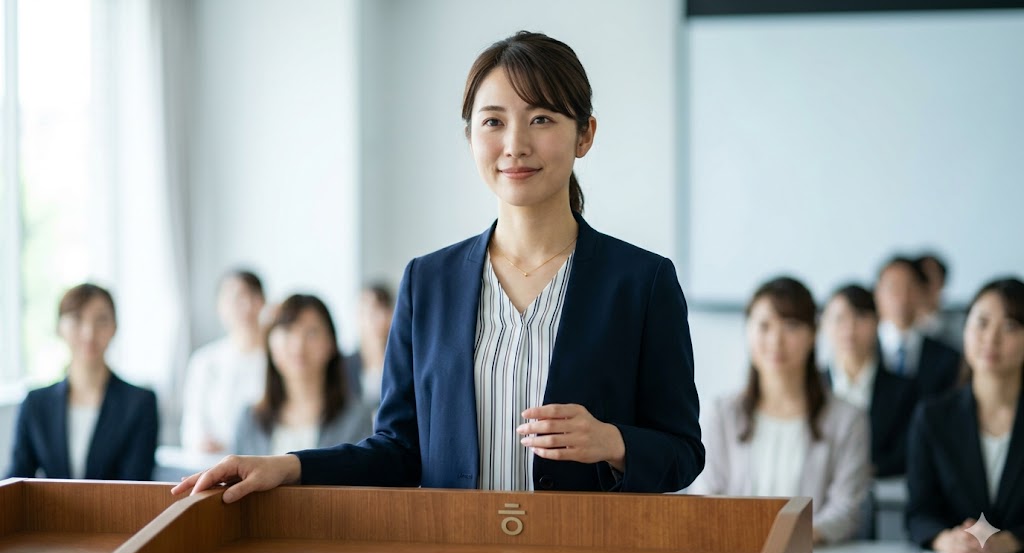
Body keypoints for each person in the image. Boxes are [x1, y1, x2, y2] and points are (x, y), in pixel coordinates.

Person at [173, 31, 703, 502]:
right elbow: (399, 450)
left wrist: (613, 443)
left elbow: (683, 451)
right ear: (471, 136)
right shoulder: (428, 282)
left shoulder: (642, 283)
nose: (515, 144)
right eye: (493, 121)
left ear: (584, 134)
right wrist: (289, 466)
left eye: (541, 118)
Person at [692, 277, 870, 544]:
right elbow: (705, 497)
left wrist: (788, 540)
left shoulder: (847, 419)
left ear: (813, 334)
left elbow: (846, 510)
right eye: (764, 326)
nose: (776, 340)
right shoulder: (721, 413)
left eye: (791, 325)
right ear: (748, 331)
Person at [906, 277, 1024, 553]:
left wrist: (1014, 541)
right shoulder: (932, 417)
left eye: (1009, 326)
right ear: (965, 329)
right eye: (981, 323)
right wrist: (945, 539)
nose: (991, 338)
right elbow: (919, 513)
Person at [6, 283, 158, 480]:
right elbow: (17, 476)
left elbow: (137, 484)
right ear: (59, 327)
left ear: (115, 327)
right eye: (77, 319)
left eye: (101, 320)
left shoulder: (140, 403)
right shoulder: (35, 403)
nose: (89, 333)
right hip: (49, 511)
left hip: (118, 510)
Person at [235, 294, 374, 455]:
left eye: (312, 333)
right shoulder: (250, 420)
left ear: (331, 344)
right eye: (287, 331)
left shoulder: (356, 418)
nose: (298, 345)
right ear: (270, 345)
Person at [821, 284, 917, 478]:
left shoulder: (906, 390)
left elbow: (908, 453)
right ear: (824, 325)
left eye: (860, 317)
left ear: (877, 322)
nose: (850, 328)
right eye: (839, 319)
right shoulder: (810, 387)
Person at [180, 269, 267, 454]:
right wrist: (203, 442)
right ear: (220, 306)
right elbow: (192, 426)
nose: (245, 306)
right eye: (235, 298)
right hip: (215, 463)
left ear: (262, 302)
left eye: (252, 296)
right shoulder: (205, 361)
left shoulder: (278, 359)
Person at [875, 256, 960, 398]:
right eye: (893, 288)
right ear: (877, 293)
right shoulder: (861, 347)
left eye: (909, 287)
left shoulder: (947, 357)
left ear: (922, 293)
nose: (902, 297)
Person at [345, 283, 394, 406]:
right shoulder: (344, 366)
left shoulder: (405, 362)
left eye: (379, 310)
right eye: (366, 312)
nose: (374, 319)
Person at [915, 253, 964, 350]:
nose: (925, 286)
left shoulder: (961, 324)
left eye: (929, 278)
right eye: (921, 278)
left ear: (942, 282)